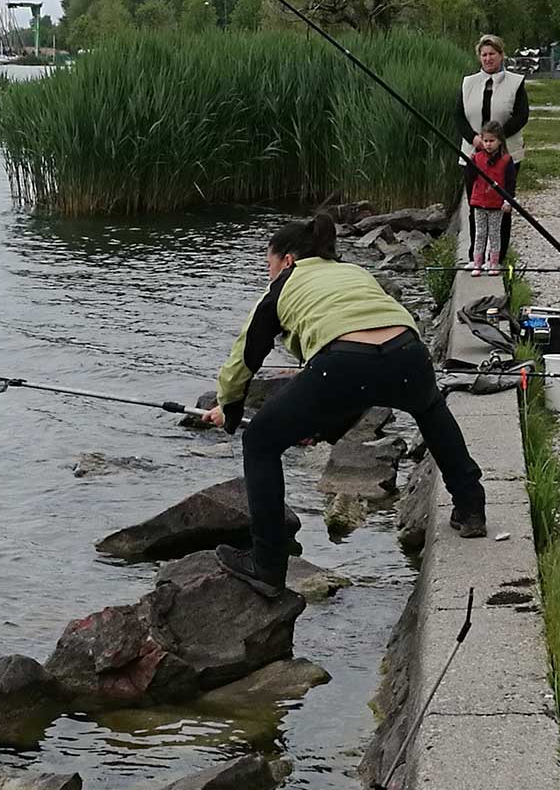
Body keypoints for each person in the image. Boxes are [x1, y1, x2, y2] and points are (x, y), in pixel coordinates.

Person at [202, 213, 488, 596]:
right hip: (407, 351)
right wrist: (323, 426)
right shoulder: (353, 272)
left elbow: (245, 357)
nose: (267, 272)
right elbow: (365, 377)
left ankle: (267, 564)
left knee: (260, 443)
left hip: (342, 363)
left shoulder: (282, 286)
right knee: (430, 410)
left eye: (267, 263)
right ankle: (471, 508)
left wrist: (230, 406)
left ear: (287, 260)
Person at [455, 34, 529, 264]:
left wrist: (497, 139)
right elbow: (458, 116)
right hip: (473, 154)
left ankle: (497, 257)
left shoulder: (516, 83)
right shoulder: (468, 83)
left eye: (492, 54)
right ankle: (475, 256)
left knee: (502, 207)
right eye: (484, 54)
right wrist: (475, 139)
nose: (488, 59)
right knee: (476, 205)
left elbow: (521, 115)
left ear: (501, 55)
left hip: (507, 154)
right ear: (479, 57)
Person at [467, 123, 514, 275]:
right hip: (479, 203)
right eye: (485, 141)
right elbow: (469, 178)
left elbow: (510, 183)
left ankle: (494, 262)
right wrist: (469, 163)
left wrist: (508, 201)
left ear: (500, 141)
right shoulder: (477, 158)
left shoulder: (506, 160)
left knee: (495, 234)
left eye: (491, 141)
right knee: (480, 234)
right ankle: (477, 263)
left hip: (496, 204)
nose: (488, 144)